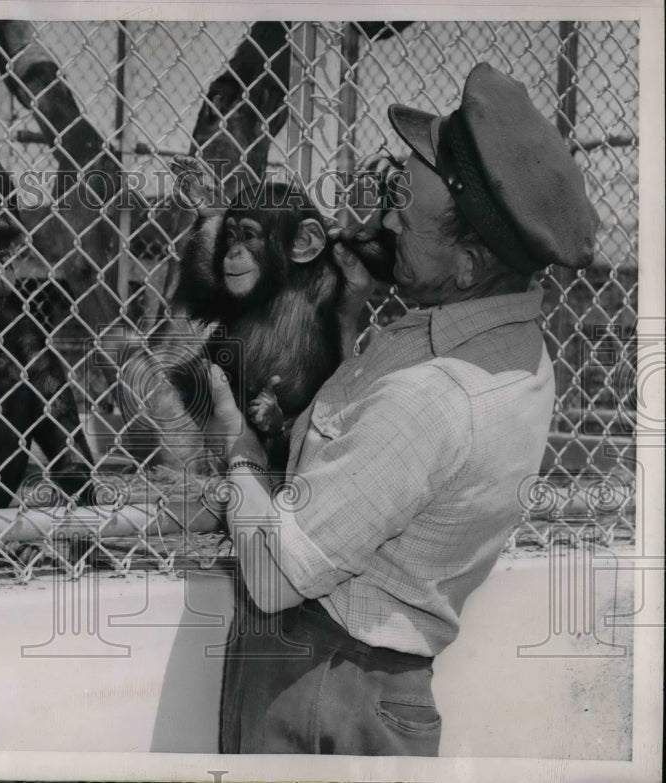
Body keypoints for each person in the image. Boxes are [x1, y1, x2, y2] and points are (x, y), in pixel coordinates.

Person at [207, 62, 599, 755]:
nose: (386, 218)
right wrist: (353, 304)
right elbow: (376, 461)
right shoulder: (506, 347)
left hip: (320, 690)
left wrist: (235, 445)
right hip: (376, 685)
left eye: (406, 213)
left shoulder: (435, 395)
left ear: (471, 264)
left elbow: (272, 576)